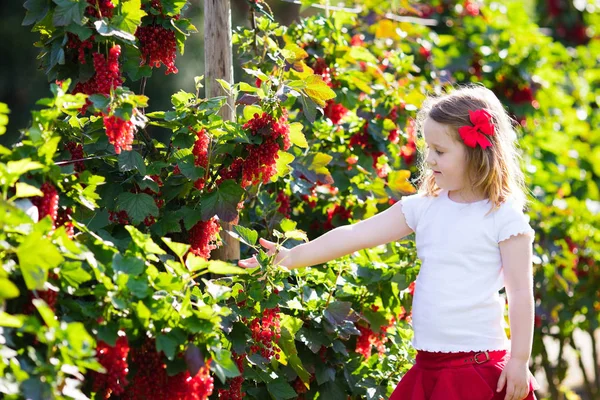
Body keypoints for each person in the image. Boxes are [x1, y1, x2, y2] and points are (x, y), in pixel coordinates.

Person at [238, 84, 541, 400]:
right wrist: (291, 257)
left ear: (477, 151)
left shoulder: (502, 217)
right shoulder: (424, 208)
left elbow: (520, 293)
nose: (430, 159)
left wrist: (519, 360)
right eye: (428, 149)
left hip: (478, 369)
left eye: (440, 151)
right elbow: (355, 235)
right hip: (429, 368)